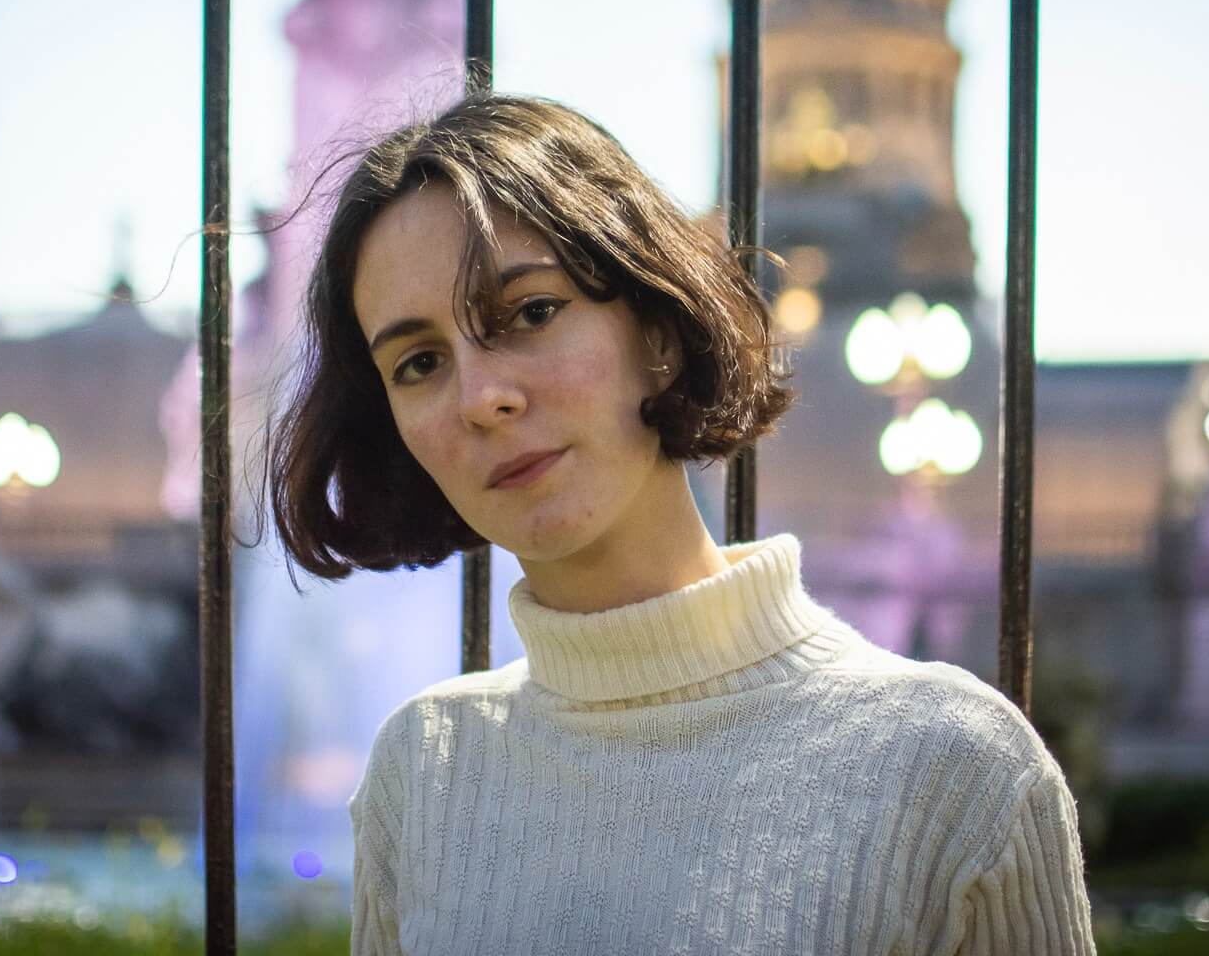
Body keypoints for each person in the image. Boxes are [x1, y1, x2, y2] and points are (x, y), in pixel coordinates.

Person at [267, 93, 1096, 954]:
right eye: (420, 363)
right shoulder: (420, 773)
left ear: (658, 331)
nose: (483, 398)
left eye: (531, 312)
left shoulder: (955, 769)